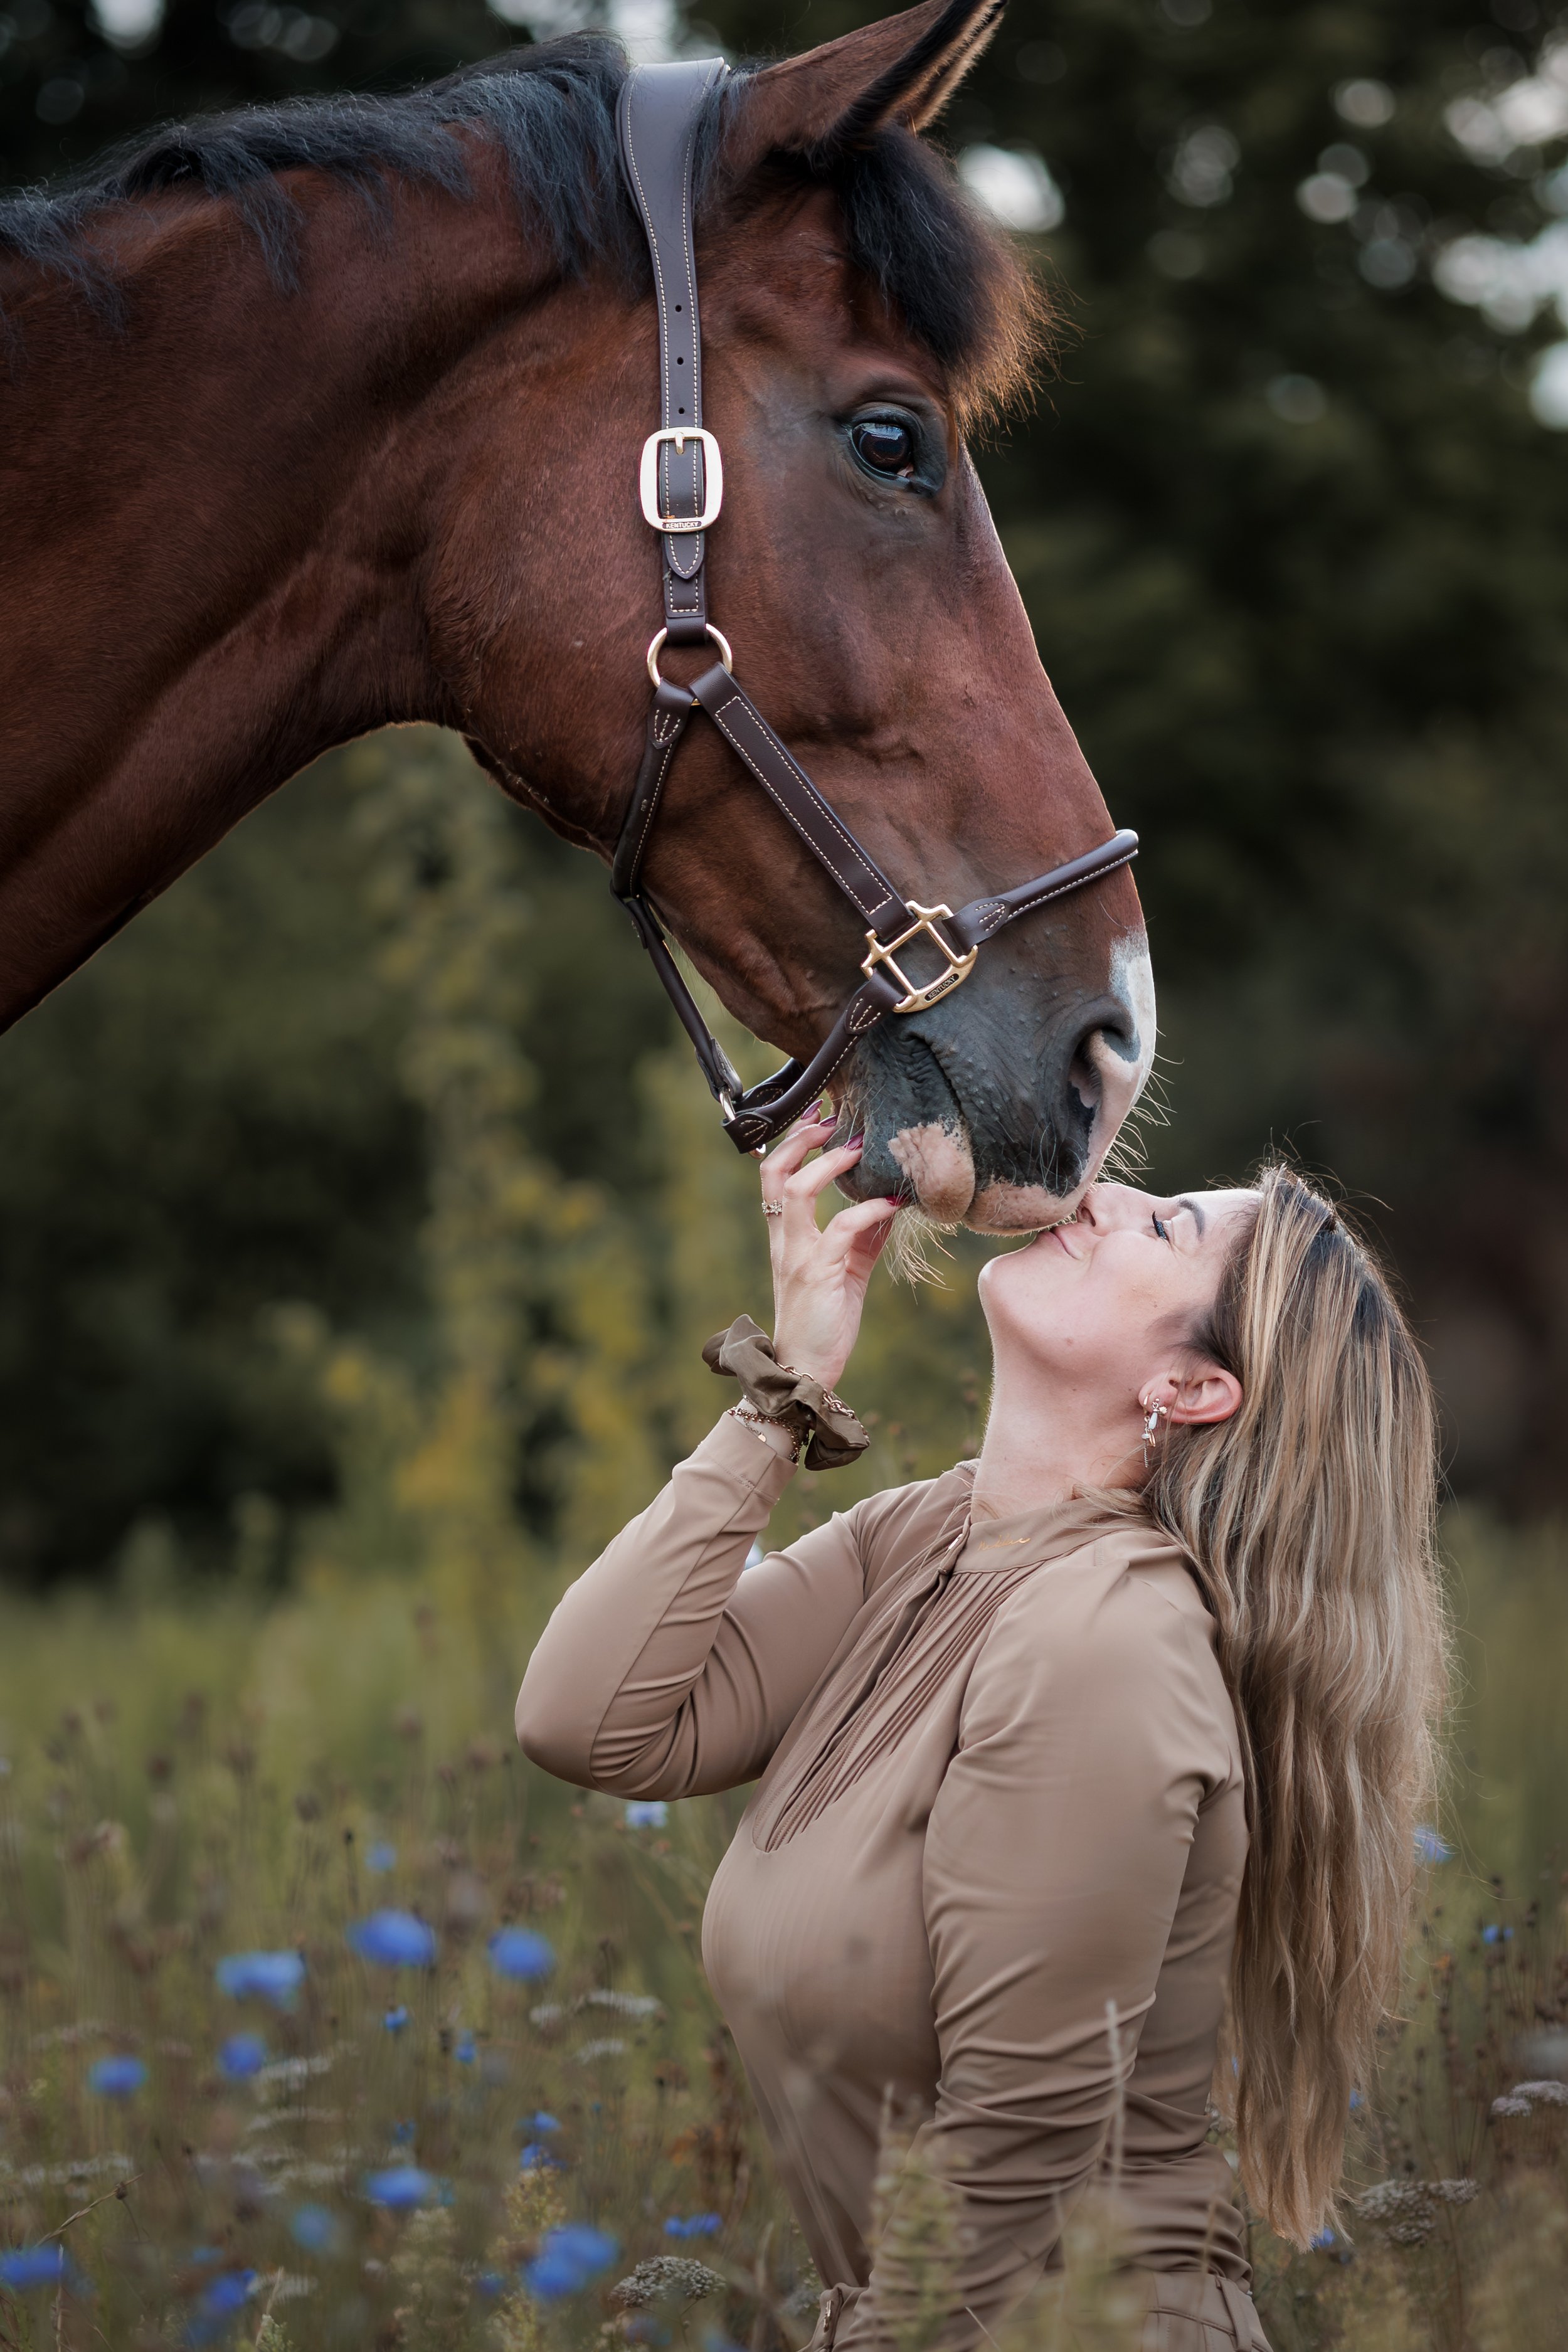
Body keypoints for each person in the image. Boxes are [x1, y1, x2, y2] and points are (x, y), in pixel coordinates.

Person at [514, 1106, 1446, 2352]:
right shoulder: (926, 1540)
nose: (1101, 1191)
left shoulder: (1107, 1639)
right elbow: (591, 1720)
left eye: (1161, 1225)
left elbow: (1004, 2168)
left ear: (1190, 1386)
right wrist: (782, 1399)